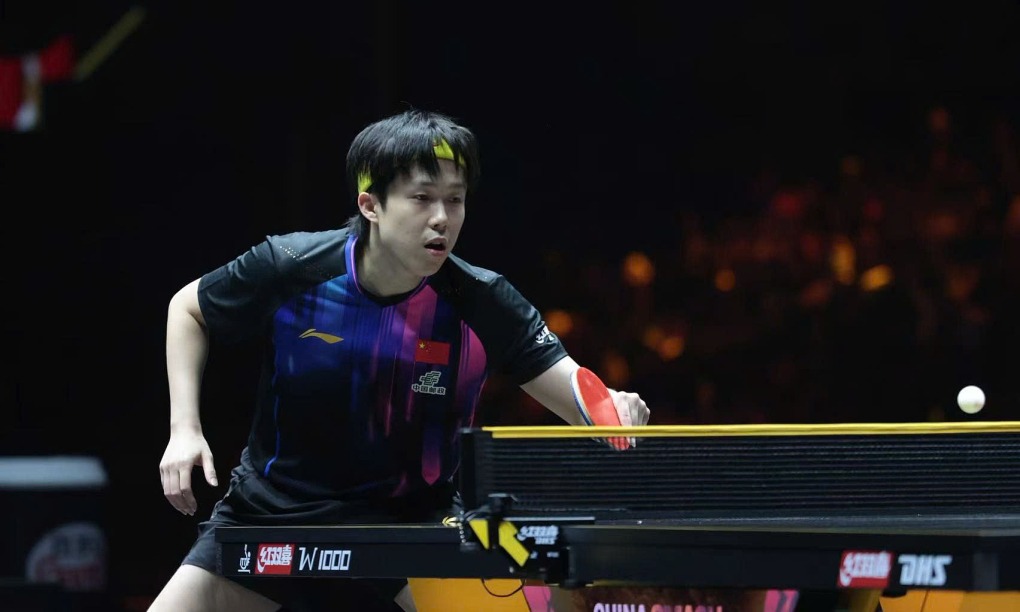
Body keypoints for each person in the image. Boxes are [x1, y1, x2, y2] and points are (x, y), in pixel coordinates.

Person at [147, 108, 651, 612]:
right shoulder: (292, 268)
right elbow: (188, 310)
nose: (442, 218)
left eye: (455, 199)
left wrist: (613, 410)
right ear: (371, 205)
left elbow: (578, 392)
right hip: (273, 513)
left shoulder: (481, 300)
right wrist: (184, 429)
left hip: (413, 523)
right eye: (422, 198)